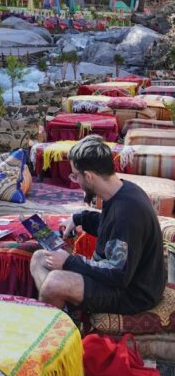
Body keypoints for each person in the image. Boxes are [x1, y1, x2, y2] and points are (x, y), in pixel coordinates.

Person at [30, 135, 165, 314]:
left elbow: (118, 274)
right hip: (118, 277)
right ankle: (64, 312)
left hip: (133, 293)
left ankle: (59, 330)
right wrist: (79, 218)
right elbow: (108, 226)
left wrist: (69, 261)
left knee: (54, 283)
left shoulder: (126, 213)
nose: (75, 181)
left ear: (89, 176)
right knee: (39, 258)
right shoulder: (121, 191)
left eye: (75, 176)